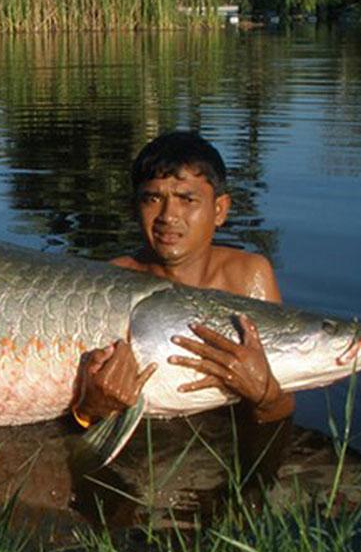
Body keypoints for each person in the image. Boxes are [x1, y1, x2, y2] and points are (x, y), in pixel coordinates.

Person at [74, 130, 294, 427]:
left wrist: (267, 396)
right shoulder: (113, 279)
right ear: (134, 207)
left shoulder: (249, 275)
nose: (168, 215)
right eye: (153, 198)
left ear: (219, 210)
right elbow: (82, 409)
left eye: (187, 199)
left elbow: (283, 403)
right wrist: (92, 409)